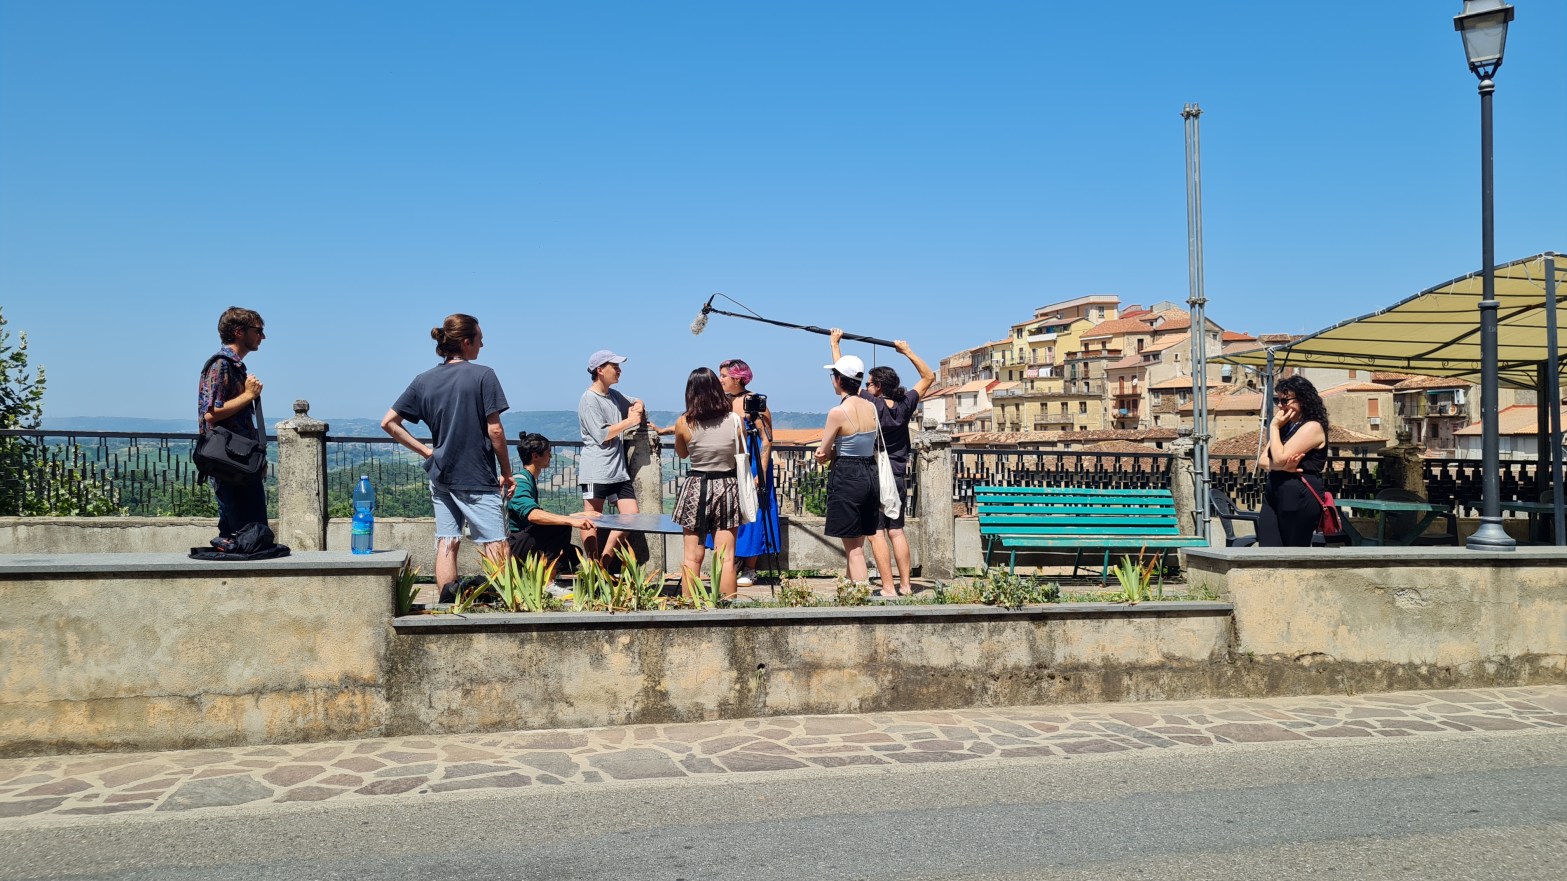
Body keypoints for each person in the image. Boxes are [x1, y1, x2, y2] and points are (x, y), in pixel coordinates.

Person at [381, 314, 515, 601]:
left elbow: (388, 422)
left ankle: (446, 604)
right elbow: (495, 430)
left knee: (447, 540)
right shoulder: (484, 375)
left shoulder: (423, 380)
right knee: (496, 542)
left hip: (440, 472)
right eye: (479, 339)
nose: (482, 344)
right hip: (476, 474)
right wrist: (506, 471)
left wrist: (427, 451)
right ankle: (504, 606)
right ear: (466, 342)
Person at [830, 330, 935, 596]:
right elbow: (929, 376)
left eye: (869, 384)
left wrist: (835, 344)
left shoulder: (870, 403)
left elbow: (846, 383)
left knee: (876, 533)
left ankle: (888, 587)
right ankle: (906, 586)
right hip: (898, 474)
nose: (866, 387)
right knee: (896, 531)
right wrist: (907, 351)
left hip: (874, 474)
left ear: (877, 387)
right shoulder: (906, 404)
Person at [673, 368, 745, 600]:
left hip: (696, 486)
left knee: (692, 556)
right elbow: (740, 453)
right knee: (726, 556)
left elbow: (682, 453)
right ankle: (727, 608)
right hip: (726, 486)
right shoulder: (735, 420)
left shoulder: (684, 422)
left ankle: (690, 606)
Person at [578, 349, 655, 564]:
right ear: (600, 370)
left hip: (618, 471)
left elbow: (637, 401)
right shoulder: (589, 399)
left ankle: (604, 559)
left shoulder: (613, 395)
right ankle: (592, 564)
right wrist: (630, 421)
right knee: (591, 518)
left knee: (631, 516)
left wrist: (638, 406)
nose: (619, 370)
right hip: (596, 470)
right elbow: (602, 434)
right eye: (615, 367)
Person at [197, 307, 268, 539]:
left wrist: (257, 460)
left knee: (249, 535)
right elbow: (211, 414)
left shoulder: (235, 367)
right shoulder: (221, 365)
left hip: (240, 465)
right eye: (258, 330)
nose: (262, 336)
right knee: (242, 536)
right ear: (239, 332)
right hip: (228, 466)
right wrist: (248, 395)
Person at [815, 353, 883, 586]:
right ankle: (849, 586)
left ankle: (861, 594)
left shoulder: (837, 412)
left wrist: (822, 455)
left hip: (847, 474)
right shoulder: (871, 407)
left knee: (853, 549)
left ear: (839, 380)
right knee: (859, 540)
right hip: (869, 471)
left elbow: (824, 451)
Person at [712, 358, 779, 587]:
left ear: (737, 378)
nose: (720, 379)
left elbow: (767, 439)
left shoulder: (755, 402)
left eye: (724, 375)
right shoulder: (721, 401)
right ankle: (731, 562)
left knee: (754, 512)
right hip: (729, 462)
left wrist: (762, 472)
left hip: (753, 462)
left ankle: (750, 568)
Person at [507, 432, 599, 574]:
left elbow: (540, 515)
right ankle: (549, 580)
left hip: (521, 541)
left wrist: (577, 516)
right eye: (548, 452)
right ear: (535, 456)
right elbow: (533, 515)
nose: (550, 456)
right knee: (561, 527)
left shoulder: (527, 479)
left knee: (572, 554)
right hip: (512, 546)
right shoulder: (520, 482)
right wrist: (569, 521)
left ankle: (543, 574)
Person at [1256, 375, 1330, 547]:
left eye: (1285, 400)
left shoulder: (1312, 427)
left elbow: (1279, 457)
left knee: (1292, 551)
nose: (1280, 406)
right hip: (1275, 490)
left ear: (1302, 400)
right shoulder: (1286, 426)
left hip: (1299, 493)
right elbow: (1262, 460)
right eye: (1278, 400)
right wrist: (1282, 467)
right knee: (1267, 549)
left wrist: (1273, 427)